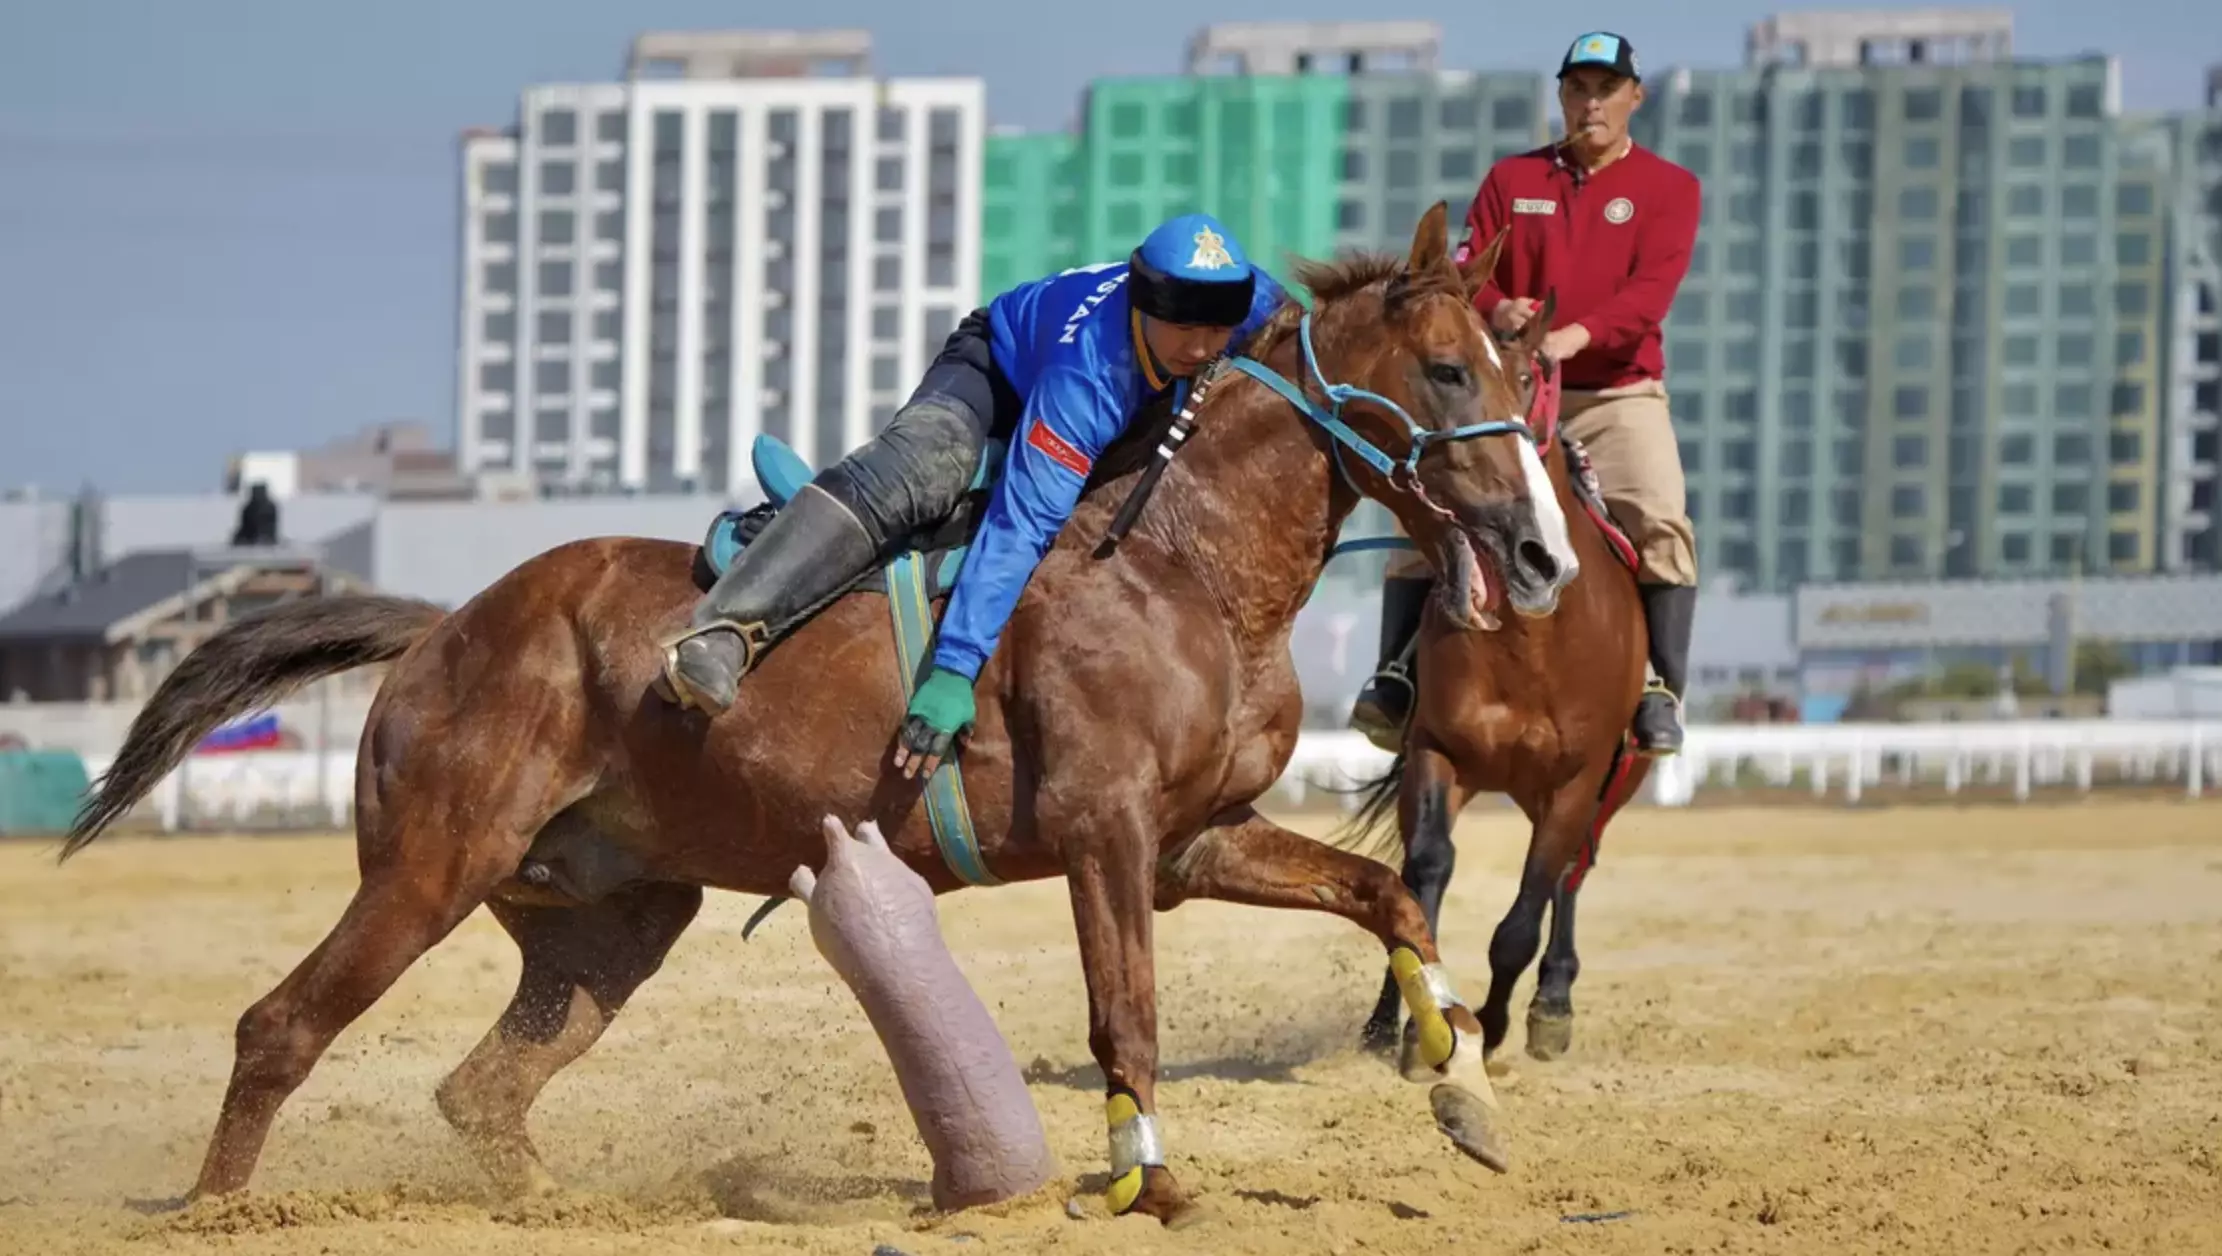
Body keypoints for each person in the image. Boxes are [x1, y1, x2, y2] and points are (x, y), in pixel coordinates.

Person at [658, 213, 1289, 775]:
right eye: (1185, 331)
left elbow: (1316, 338)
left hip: (1121, 402)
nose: (1204, 348)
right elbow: (1021, 524)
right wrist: (955, 669)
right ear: (1144, 306)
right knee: (928, 469)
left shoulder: (1248, 299)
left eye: (1218, 330)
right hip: (991, 369)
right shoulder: (1087, 381)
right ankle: (727, 627)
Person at [1348, 29, 1703, 757]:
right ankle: (1394, 676)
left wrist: (1574, 337)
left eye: (1607, 89)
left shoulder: (1671, 189)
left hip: (1616, 395)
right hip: (1511, 389)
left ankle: (1661, 689)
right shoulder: (1513, 180)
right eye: (1578, 88)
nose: (1591, 102)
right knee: (1432, 501)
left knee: (1661, 518)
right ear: (1562, 96)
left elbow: (1650, 294)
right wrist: (1499, 308)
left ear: (1635, 97)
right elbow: (1470, 268)